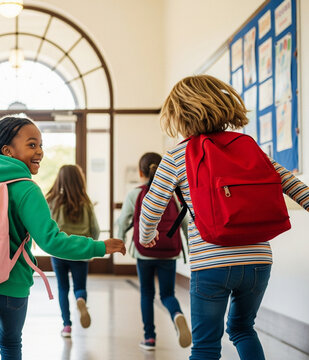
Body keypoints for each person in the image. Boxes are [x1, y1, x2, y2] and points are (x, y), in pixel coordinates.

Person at [0, 115, 126, 360]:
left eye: (41, 145)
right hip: (13, 283)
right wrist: (98, 246)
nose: (40, 151)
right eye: (32, 145)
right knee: (10, 345)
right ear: (8, 150)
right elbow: (52, 241)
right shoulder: (26, 189)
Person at [138, 75, 309, 360]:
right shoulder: (247, 145)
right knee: (243, 329)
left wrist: (147, 237)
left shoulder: (177, 156)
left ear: (179, 114)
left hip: (211, 263)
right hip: (258, 261)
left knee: (205, 346)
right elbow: (296, 188)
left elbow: (151, 208)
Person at [115, 152, 191, 350]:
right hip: (169, 251)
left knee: (147, 294)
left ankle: (149, 338)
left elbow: (123, 221)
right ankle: (177, 314)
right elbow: (185, 222)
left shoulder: (135, 193)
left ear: (141, 172)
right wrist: (192, 249)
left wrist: (120, 242)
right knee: (168, 294)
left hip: (144, 252)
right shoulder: (174, 194)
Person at [45, 164, 100, 337]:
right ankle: (81, 300)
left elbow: (47, 228)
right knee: (79, 286)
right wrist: (90, 246)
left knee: (62, 288)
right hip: (81, 253)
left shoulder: (53, 202)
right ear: (79, 180)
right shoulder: (86, 203)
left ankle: (66, 326)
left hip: (60, 252)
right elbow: (96, 230)